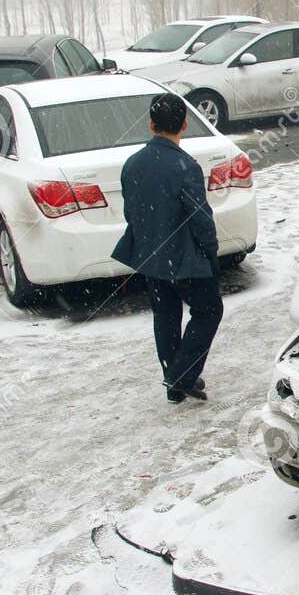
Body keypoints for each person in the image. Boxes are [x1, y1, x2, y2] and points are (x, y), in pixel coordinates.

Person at [113, 93, 223, 404]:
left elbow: (132, 211)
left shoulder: (132, 164)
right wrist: (210, 251)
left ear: (150, 124)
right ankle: (182, 375)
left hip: (151, 255)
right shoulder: (184, 165)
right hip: (185, 257)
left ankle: (174, 381)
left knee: (166, 313)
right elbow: (200, 216)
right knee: (209, 310)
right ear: (185, 124)